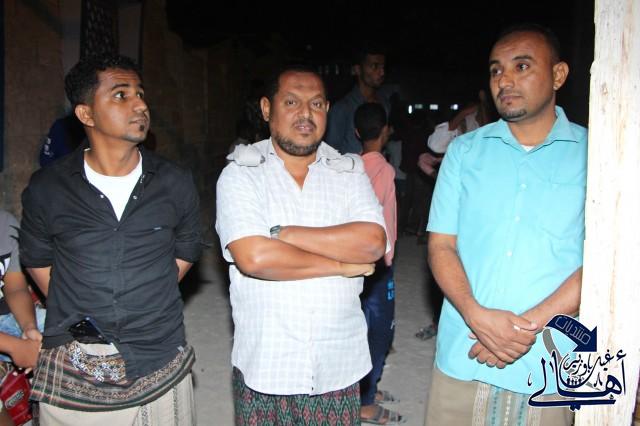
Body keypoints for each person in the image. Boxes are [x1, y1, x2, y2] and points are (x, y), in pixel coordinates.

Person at [20, 54, 202, 425]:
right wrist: (83, 308)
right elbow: (37, 260)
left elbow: (186, 247)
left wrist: (149, 294)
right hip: (76, 359)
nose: (140, 105)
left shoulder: (174, 182)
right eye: (121, 95)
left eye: (140, 94)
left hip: (159, 351)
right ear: (86, 114)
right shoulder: (48, 188)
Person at [425, 24, 585, 426]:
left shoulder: (595, 155)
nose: (505, 80)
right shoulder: (464, 152)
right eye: (496, 70)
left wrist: (522, 329)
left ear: (558, 75)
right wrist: (475, 315)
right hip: (465, 349)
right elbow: (441, 245)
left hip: (548, 362)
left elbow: (605, 260)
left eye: (522, 66)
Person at [216, 65, 388, 425]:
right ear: (267, 109)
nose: (306, 114)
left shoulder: (349, 172)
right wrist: (339, 265)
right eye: (292, 102)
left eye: (316, 104)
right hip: (267, 367)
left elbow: (373, 242)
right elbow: (255, 257)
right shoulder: (242, 174)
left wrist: (286, 233)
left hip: (337, 366)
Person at [415, 90, 493, 341]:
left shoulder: (504, 127)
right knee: (446, 261)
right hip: (458, 205)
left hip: (487, 207)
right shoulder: (466, 124)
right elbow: (435, 145)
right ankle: (441, 322)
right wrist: (460, 116)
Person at [354, 103, 403, 425]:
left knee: (361, 329)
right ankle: (366, 403)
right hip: (378, 265)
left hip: (355, 263)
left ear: (357, 132)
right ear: (385, 131)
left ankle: (365, 389)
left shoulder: (350, 166)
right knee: (380, 333)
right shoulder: (383, 170)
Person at [0, 209, 45, 425]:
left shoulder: (4, 223)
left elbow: (16, 287)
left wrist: (29, 329)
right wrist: (13, 347)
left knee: (71, 339)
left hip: (4, 318)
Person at [325, 44, 388, 154]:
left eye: (383, 67)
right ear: (357, 69)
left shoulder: (385, 104)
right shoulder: (342, 109)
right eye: (375, 66)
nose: (382, 72)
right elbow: (330, 153)